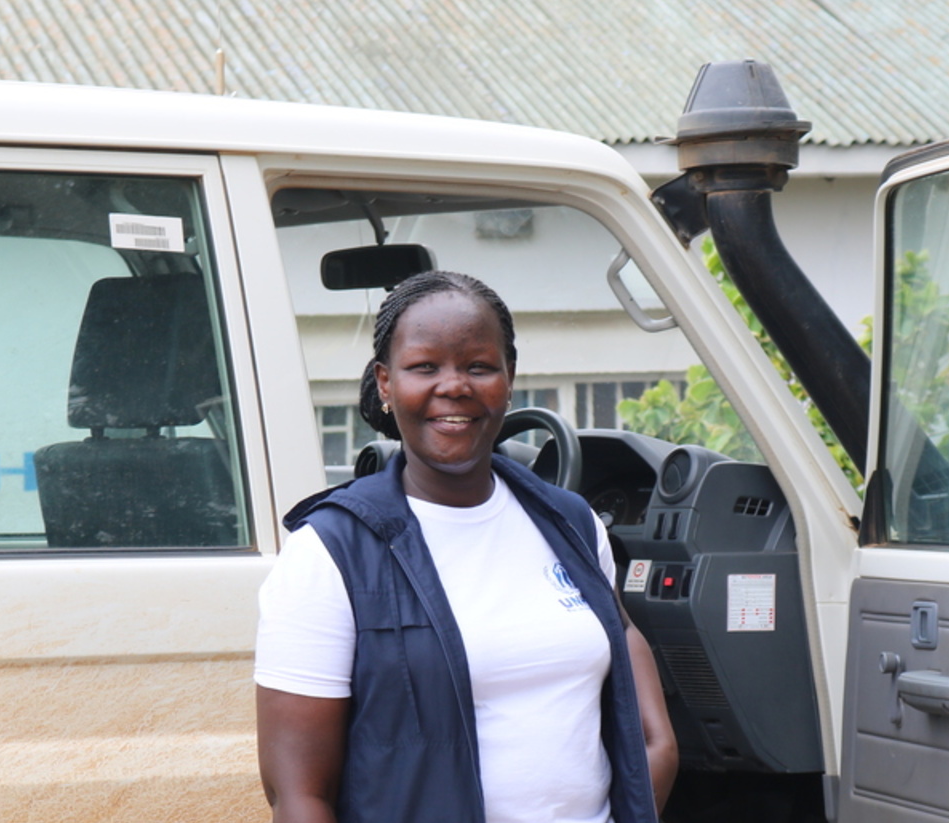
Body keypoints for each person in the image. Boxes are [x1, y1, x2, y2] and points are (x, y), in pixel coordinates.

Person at [255, 271, 677, 823]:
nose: (454, 386)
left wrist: (657, 762)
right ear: (385, 383)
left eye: (478, 366)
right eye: (424, 367)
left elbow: (632, 679)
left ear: (509, 378)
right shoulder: (329, 552)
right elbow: (299, 797)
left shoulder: (571, 522)